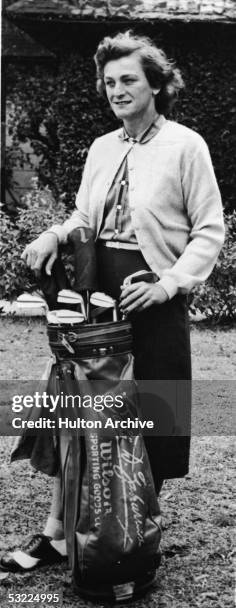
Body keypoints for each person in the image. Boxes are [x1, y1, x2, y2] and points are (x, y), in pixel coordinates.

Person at [1, 30, 224, 573]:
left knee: (150, 418)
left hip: (155, 296)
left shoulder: (186, 145)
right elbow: (84, 217)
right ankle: (57, 533)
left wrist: (168, 282)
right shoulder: (103, 147)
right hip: (96, 299)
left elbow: (209, 230)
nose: (116, 90)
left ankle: (129, 534)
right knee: (82, 413)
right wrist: (55, 234)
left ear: (155, 85)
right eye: (109, 82)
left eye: (128, 80)